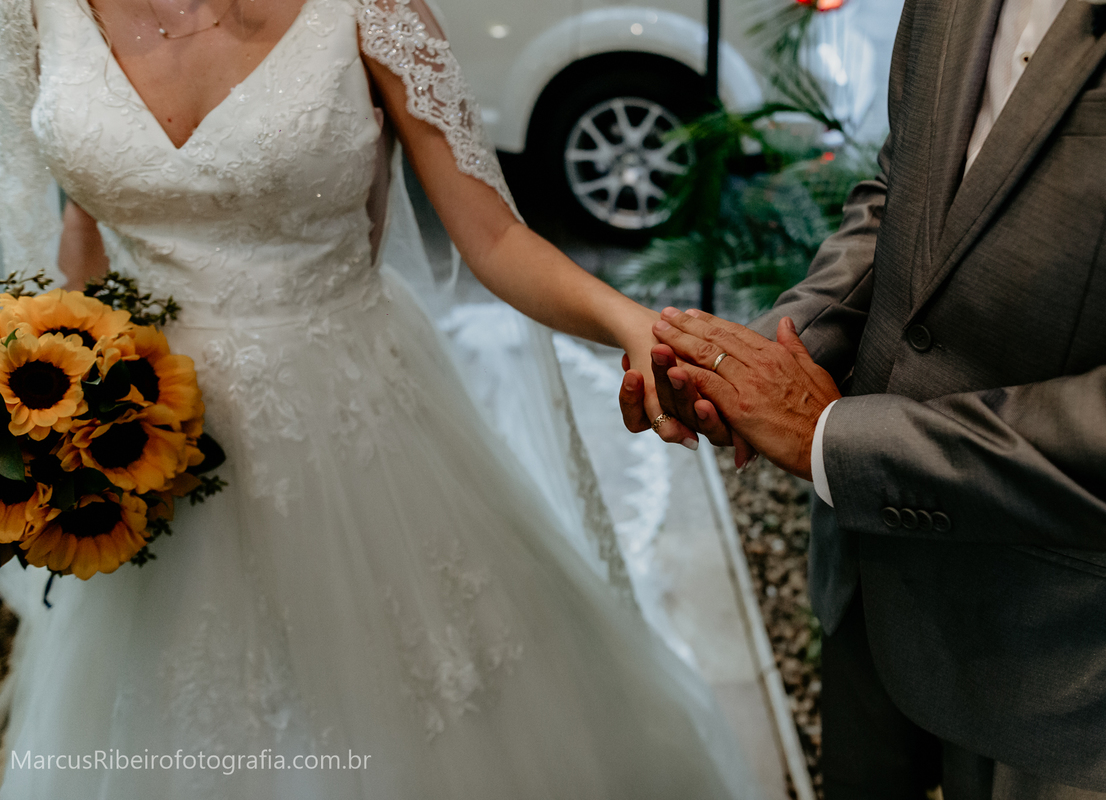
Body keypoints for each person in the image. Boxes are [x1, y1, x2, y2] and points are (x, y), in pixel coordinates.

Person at [0, 0, 763, 797]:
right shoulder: (38, 12)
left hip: (349, 419)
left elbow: (494, 236)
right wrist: (59, 405)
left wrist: (630, 321)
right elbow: (79, 216)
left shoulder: (372, 11)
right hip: (137, 442)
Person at [621, 1, 1106, 798]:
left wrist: (834, 439)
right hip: (869, 585)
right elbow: (904, 196)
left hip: (1073, 658)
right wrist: (750, 363)